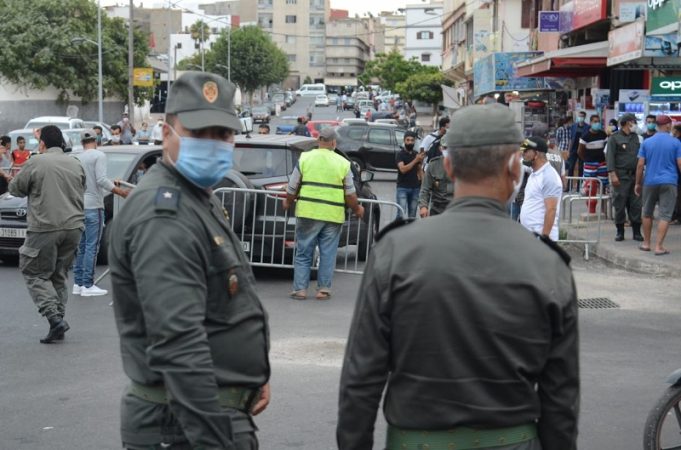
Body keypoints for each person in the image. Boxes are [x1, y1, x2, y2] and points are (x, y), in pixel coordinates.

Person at [337, 103, 579, 450]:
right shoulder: (548, 263)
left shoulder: (396, 251)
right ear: (515, 168)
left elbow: (361, 378)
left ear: (448, 166)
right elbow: (561, 395)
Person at [108, 71, 271, 449]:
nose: (214, 144)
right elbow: (178, 343)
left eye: (223, 134)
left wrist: (249, 374)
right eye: (200, 134)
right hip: (186, 423)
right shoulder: (164, 215)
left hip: (202, 415)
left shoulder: (196, 195)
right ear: (167, 133)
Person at [8, 125, 86, 343]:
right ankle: (58, 320)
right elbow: (83, 187)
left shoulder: (37, 161)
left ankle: (54, 319)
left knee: (33, 272)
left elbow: (16, 189)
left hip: (45, 227)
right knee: (58, 274)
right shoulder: (75, 163)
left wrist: (10, 179)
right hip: (73, 227)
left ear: (42, 143)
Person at [283, 128, 364, 300]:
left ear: (318, 141)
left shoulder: (305, 158)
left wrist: (288, 202)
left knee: (304, 251)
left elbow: (292, 186)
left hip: (308, 212)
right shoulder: (343, 163)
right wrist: (357, 209)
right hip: (332, 215)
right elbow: (350, 193)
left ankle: (300, 290)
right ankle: (323, 289)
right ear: (334, 143)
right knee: (328, 252)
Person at [72, 130, 129, 297]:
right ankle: (88, 285)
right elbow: (101, 180)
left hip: (79, 206)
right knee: (92, 246)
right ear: (96, 140)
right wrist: (121, 192)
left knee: (82, 247)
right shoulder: (99, 155)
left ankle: (78, 283)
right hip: (94, 206)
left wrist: (112, 182)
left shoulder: (77, 157)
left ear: (82, 142)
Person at [635, 114, 681, 255]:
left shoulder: (647, 142)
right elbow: (680, 163)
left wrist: (637, 183)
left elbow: (640, 164)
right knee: (665, 215)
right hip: (669, 182)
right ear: (667, 125)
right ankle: (659, 246)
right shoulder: (676, 143)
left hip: (650, 182)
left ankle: (646, 243)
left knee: (647, 213)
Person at [606, 113, 643, 241]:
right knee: (620, 204)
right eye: (634, 122)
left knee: (636, 204)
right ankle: (620, 231)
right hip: (621, 176)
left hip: (636, 177)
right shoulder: (614, 138)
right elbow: (610, 157)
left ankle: (637, 231)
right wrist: (612, 174)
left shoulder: (637, 138)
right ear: (628, 123)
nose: (636, 125)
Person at [520, 136, 563, 241]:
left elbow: (551, 210)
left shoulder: (549, 177)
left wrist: (544, 239)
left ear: (537, 153)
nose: (523, 154)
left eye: (526, 151)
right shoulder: (534, 174)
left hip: (541, 239)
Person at [578, 114, 609, 215]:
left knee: (603, 186)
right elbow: (580, 151)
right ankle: (591, 208)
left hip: (602, 163)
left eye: (598, 121)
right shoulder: (585, 136)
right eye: (595, 121)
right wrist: (587, 160)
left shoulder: (603, 134)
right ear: (590, 123)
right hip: (590, 164)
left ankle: (604, 210)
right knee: (590, 187)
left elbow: (606, 148)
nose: (597, 123)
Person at [395, 131, 425, 219]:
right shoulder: (400, 154)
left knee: (412, 215)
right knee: (400, 214)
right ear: (404, 141)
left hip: (415, 188)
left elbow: (419, 171)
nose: (410, 142)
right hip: (402, 188)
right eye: (408, 140)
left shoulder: (416, 154)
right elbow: (403, 169)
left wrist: (423, 185)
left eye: (412, 140)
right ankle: (397, 231)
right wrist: (416, 160)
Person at [418, 144, 452, 217]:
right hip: (437, 209)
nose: (448, 150)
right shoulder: (433, 165)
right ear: (441, 148)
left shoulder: (463, 165)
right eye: (445, 148)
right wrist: (423, 206)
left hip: (456, 209)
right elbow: (425, 188)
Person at [566, 111, 588, 187]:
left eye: (582, 116)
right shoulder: (574, 126)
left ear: (584, 117)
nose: (580, 118)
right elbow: (570, 139)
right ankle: (569, 186)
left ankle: (579, 186)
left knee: (581, 168)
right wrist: (569, 150)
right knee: (571, 167)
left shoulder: (587, 127)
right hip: (573, 149)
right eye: (579, 116)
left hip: (582, 150)